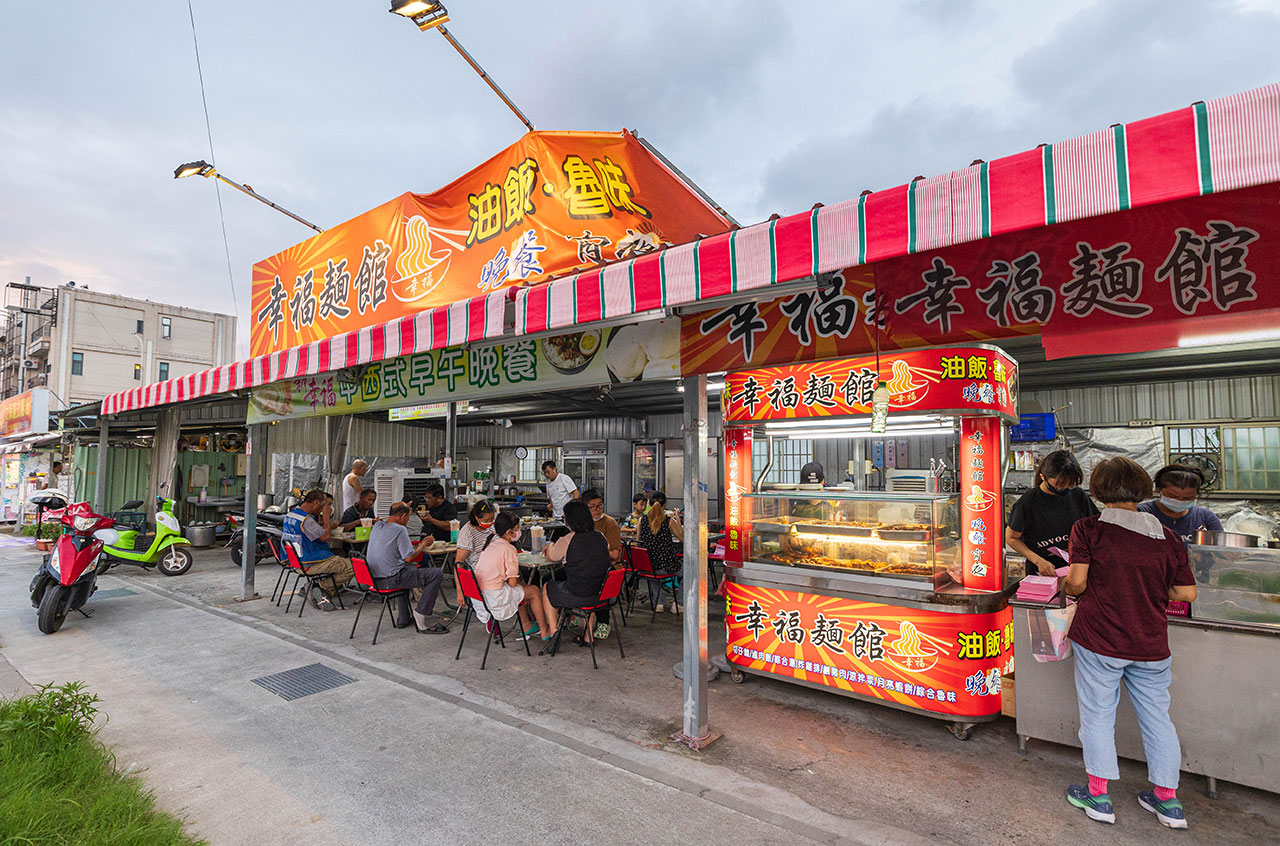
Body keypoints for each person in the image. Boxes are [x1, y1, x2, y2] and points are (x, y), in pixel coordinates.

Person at [1063, 457, 1197, 829]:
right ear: (1144, 491)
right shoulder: (1167, 538)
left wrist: (1064, 586)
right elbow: (1186, 592)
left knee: (1097, 715)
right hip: (1151, 644)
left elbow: (1076, 583)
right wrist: (1150, 586)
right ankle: (1168, 802)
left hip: (1100, 640)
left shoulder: (1089, 529)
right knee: (1158, 718)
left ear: (1097, 491)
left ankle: (1099, 795)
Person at [1007, 450, 1100, 577]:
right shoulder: (1027, 504)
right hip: (1044, 571)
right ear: (1043, 477)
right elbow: (1011, 538)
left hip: (1077, 569)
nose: (1066, 489)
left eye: (1070, 485)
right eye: (1060, 485)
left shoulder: (1078, 496)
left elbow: (1095, 528)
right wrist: (1038, 561)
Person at [535, 500, 612, 647]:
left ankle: (553, 632)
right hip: (601, 594)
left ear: (570, 520)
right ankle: (588, 636)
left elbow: (552, 556)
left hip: (580, 594)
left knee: (547, 588)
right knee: (588, 582)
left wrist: (550, 545)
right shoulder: (600, 536)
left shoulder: (568, 540)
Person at [365, 503, 449, 633]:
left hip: (373, 580)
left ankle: (403, 618)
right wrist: (423, 544)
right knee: (436, 574)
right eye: (408, 517)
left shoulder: (377, 526)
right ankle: (420, 614)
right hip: (390, 579)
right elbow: (409, 558)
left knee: (405, 570)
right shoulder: (400, 529)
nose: (408, 521)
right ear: (403, 516)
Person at [469, 511, 552, 637]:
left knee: (521, 588)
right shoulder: (509, 549)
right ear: (509, 532)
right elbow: (512, 583)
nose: (519, 532)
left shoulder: (491, 543)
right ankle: (545, 631)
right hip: (494, 598)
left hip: (480, 596)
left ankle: (526, 624)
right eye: (517, 529)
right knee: (534, 591)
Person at [281, 489, 355, 612]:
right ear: (316, 503)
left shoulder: (291, 515)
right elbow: (325, 537)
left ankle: (322, 596)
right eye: (322, 506)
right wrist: (326, 517)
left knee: (339, 555)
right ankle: (317, 587)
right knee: (353, 566)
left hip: (295, 561)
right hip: (310, 561)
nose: (321, 509)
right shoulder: (307, 520)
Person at [1137, 464, 1223, 545]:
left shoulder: (1205, 517)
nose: (1179, 501)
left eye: (1187, 498)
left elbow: (1221, 548)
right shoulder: (1141, 513)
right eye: (1173, 496)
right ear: (1159, 490)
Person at [636, 490, 682, 612]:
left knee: (652, 570)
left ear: (649, 504)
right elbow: (682, 538)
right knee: (688, 572)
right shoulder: (668, 521)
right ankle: (679, 604)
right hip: (666, 565)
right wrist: (676, 517)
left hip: (647, 566)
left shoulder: (642, 520)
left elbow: (638, 542)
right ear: (665, 505)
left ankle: (659, 603)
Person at [452, 500, 496, 607]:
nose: (490, 522)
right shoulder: (467, 532)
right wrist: (460, 590)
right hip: (479, 572)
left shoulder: (492, 527)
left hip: (494, 566)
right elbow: (459, 562)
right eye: (487, 520)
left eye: (492, 519)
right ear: (477, 517)